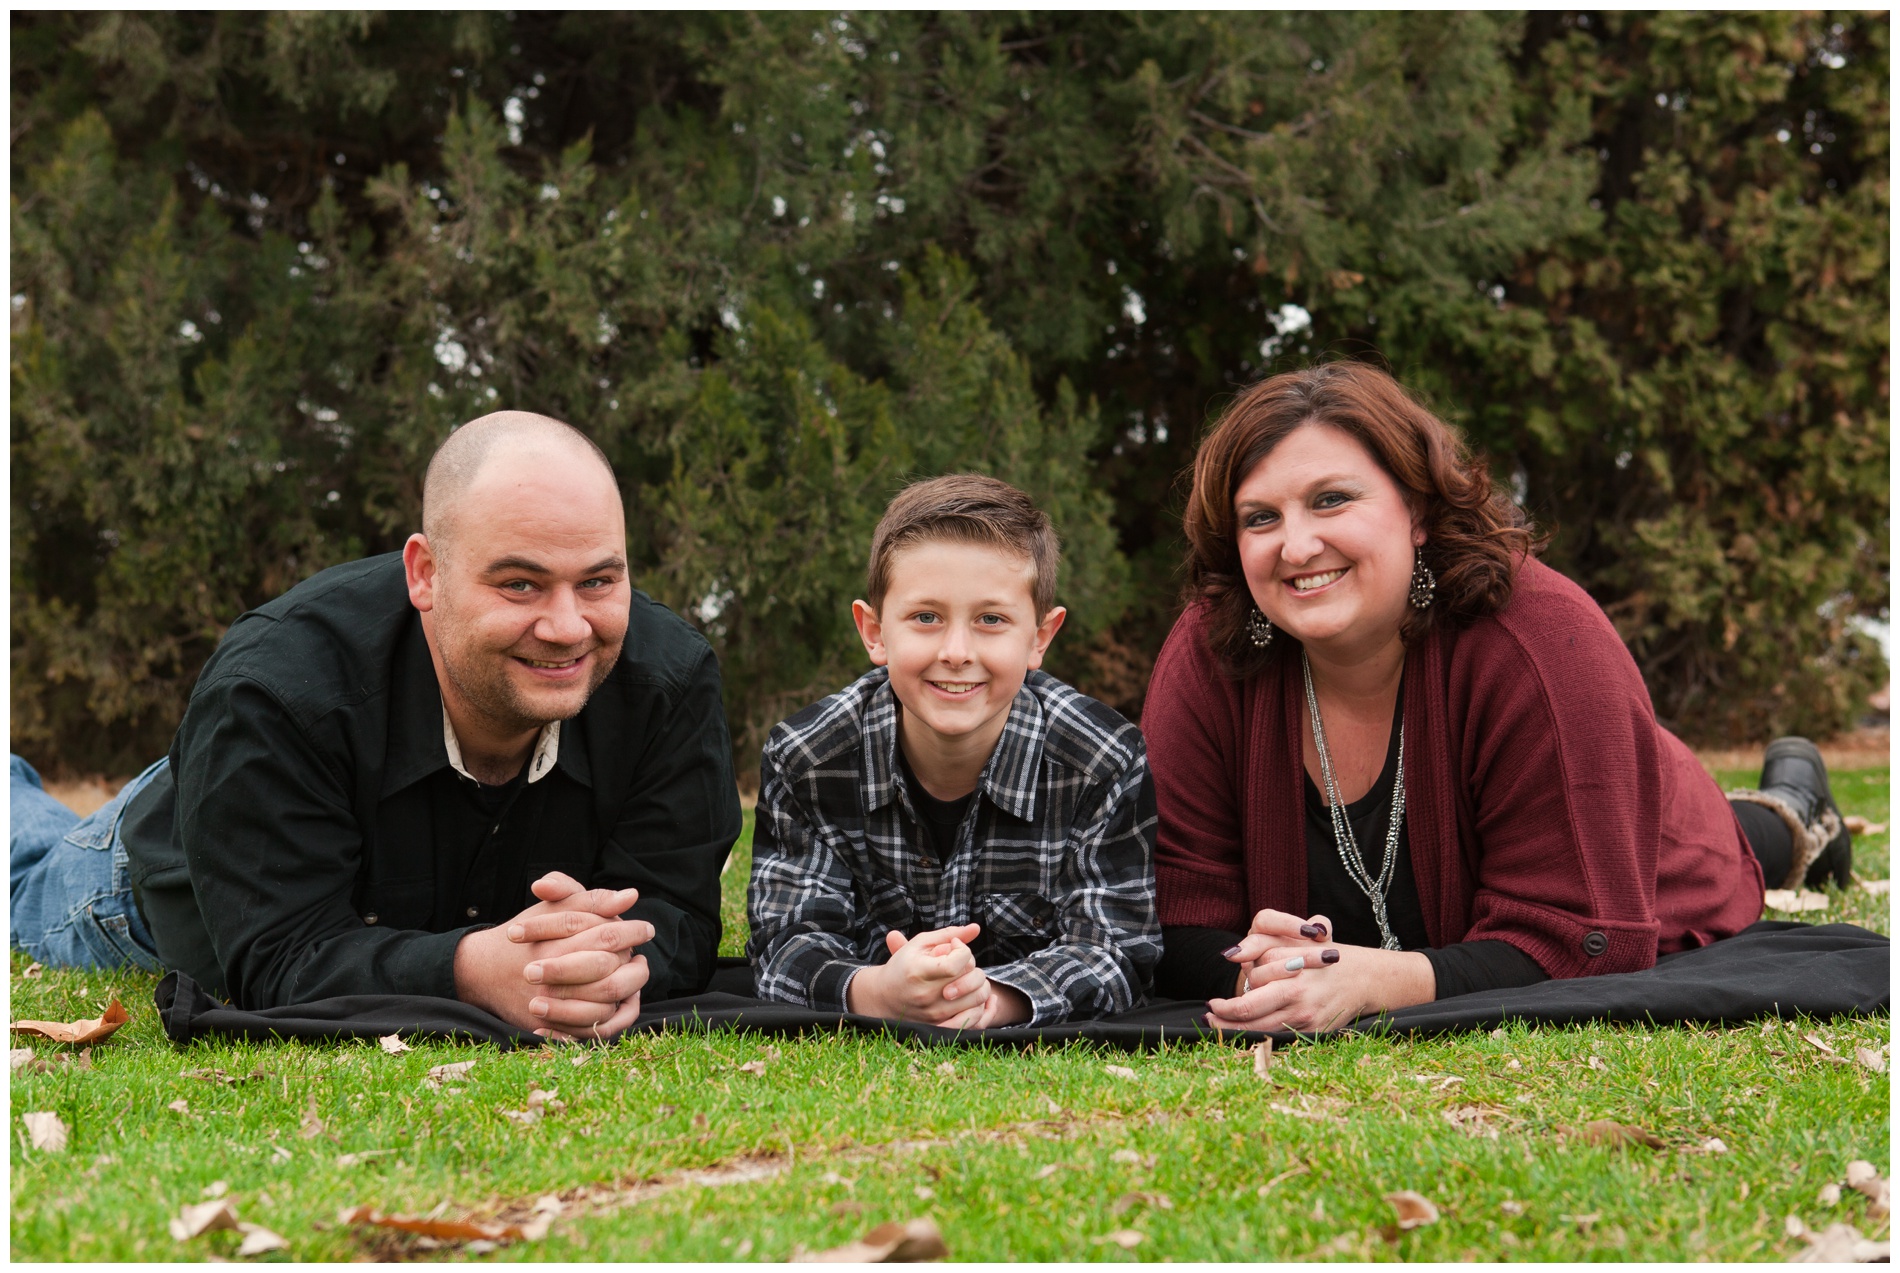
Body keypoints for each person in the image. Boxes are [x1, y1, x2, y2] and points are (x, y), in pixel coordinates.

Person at [1143, 363, 1851, 1034]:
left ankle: (1791, 811)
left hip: (1652, 838)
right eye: (1259, 517)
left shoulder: (1545, 639)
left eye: (1332, 499)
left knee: (1735, 841)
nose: (1296, 546)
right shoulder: (1212, 650)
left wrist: (1378, 982)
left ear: (1416, 509)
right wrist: (1268, 977)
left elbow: (1584, 934)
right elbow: (1171, 914)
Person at [10, 411, 742, 1041]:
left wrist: (602, 959)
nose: (566, 624)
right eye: (519, 583)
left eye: (598, 580)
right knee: (19, 874)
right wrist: (469, 971)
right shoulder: (273, 691)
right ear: (425, 574)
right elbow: (281, 956)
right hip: (166, 862)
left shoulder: (669, 682)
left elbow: (677, 912)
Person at [746, 475, 1160, 1028]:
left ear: (1040, 637)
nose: (957, 652)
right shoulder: (808, 759)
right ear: (874, 631)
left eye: (991, 620)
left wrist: (995, 998)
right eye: (926, 617)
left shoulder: (1101, 761)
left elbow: (1118, 949)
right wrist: (877, 994)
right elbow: (784, 944)